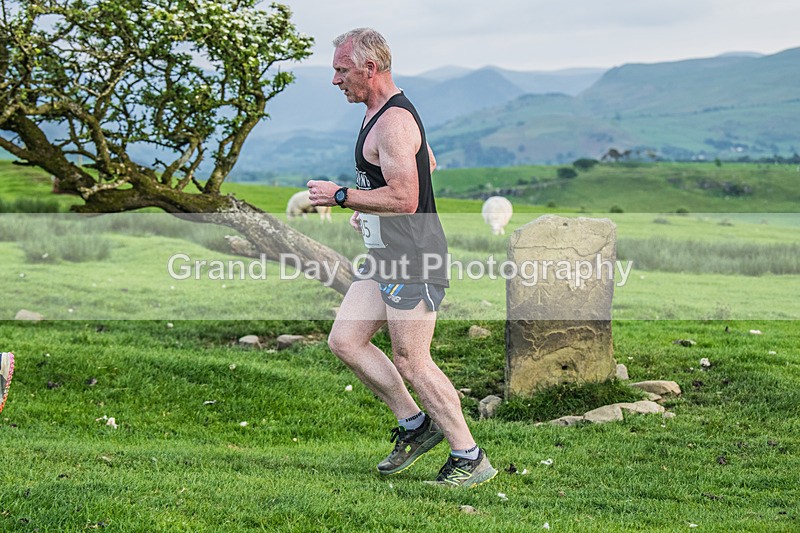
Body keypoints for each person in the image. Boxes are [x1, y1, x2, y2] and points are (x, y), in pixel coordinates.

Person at [307, 28, 497, 488]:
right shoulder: (379, 113)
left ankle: (469, 456)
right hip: (386, 254)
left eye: (341, 70)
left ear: (369, 69)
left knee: (413, 360)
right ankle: (416, 426)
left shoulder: (393, 121)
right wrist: (371, 204)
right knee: (346, 341)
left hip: (415, 258)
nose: (335, 80)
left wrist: (343, 196)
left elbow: (409, 197)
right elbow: (425, 162)